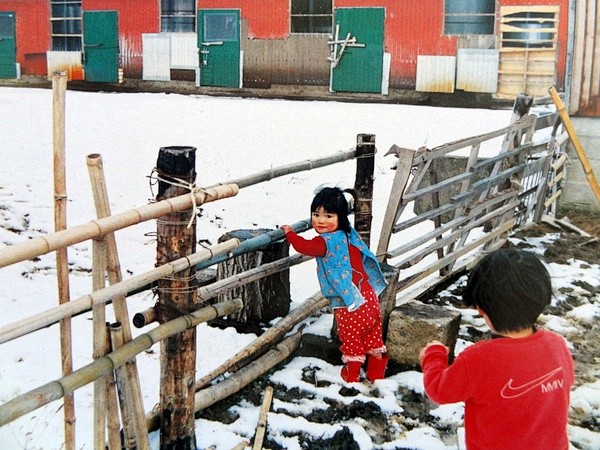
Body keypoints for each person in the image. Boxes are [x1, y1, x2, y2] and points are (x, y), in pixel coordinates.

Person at [419, 248, 574, 450]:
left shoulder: (478, 359)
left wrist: (433, 356)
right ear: (541, 299)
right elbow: (565, 384)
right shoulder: (556, 344)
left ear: (481, 310)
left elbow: (439, 390)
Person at [281, 186, 388, 383]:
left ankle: (352, 375)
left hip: (351, 302)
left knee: (352, 340)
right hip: (370, 297)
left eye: (328, 216)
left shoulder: (325, 242)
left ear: (340, 217)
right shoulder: (349, 234)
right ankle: (376, 374)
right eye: (316, 214)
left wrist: (290, 233)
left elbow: (304, 246)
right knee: (373, 337)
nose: (321, 221)